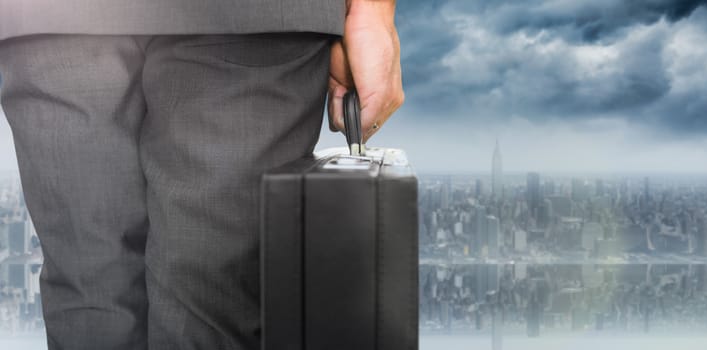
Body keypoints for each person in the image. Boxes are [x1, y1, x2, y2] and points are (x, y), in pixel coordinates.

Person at [0, 0, 404, 349]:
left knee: (91, 297)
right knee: (215, 301)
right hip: (251, 17)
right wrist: (372, 11)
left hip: (52, 17)